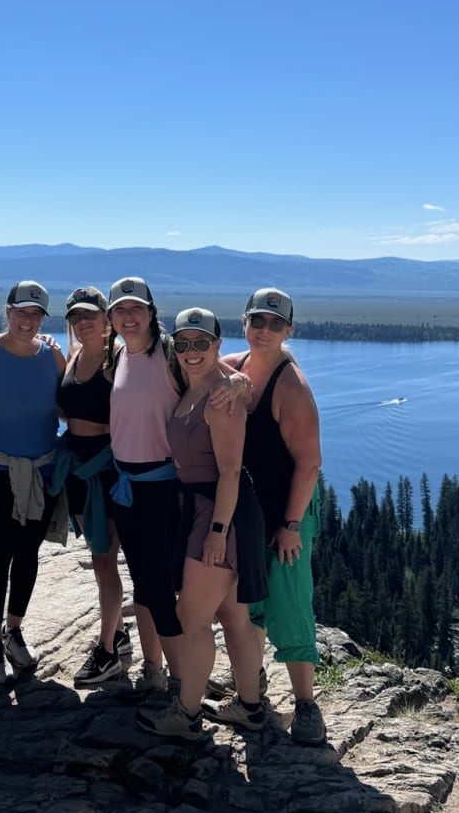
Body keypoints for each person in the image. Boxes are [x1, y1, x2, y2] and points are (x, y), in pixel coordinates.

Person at [105, 277, 250, 702]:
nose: (128, 317)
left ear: (152, 312)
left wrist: (241, 384)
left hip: (163, 489)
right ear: (112, 318)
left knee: (162, 589)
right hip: (126, 488)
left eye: (137, 309)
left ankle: (181, 684)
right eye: (120, 310)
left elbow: (228, 380)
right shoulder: (118, 354)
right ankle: (157, 669)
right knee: (145, 586)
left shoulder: (172, 351)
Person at [134, 310, 266, 740]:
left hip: (217, 511)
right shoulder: (206, 385)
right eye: (183, 343)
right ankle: (250, 705)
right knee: (232, 615)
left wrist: (217, 533)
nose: (191, 352)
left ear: (217, 343)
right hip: (207, 508)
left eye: (201, 343)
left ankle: (187, 715)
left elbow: (230, 471)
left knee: (192, 619)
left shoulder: (219, 399)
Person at [222, 287, 327, 745]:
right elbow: (186, 364)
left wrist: (291, 526)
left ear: (288, 330)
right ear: (244, 323)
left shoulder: (291, 386)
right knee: (250, 600)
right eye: (257, 321)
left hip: (288, 511)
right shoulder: (236, 367)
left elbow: (310, 464)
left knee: (289, 599)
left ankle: (306, 704)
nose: (264, 330)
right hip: (250, 508)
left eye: (275, 323)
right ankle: (253, 688)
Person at [0, 281, 66, 686]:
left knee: (28, 553)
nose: (28, 320)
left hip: (42, 469)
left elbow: (65, 407)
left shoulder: (53, 356)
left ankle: (14, 629)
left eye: (36, 314)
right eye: (21, 311)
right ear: (7, 312)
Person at [53, 286, 133, 688]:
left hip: (110, 471)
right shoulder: (72, 357)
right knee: (101, 558)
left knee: (105, 560)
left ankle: (107, 652)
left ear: (107, 318)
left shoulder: (118, 358)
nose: (84, 322)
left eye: (91, 315)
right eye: (76, 317)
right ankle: (116, 629)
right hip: (79, 470)